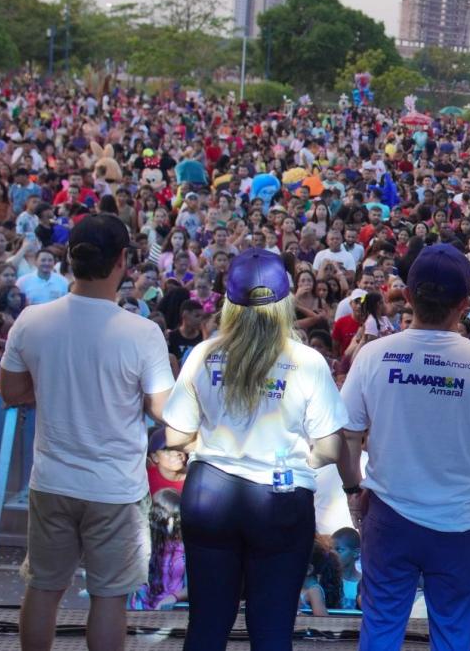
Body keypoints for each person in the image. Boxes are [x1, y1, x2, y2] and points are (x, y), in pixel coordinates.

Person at [0, 214, 175, 651]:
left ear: (70, 258)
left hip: (53, 481)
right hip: (115, 489)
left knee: (43, 588)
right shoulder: (143, 332)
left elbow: (12, 391)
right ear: (122, 261)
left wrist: (57, 388)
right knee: (109, 597)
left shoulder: (32, 320)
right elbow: (161, 408)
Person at [161, 248, 350, 651]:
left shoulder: (204, 353)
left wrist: (209, 445)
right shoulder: (307, 361)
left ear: (231, 303)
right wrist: (298, 458)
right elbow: (331, 447)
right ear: (284, 304)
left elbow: (175, 436)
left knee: (207, 625)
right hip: (280, 495)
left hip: (211, 491)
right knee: (272, 628)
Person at [339, 243, 470, 651]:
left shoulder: (373, 355)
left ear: (407, 296)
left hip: (389, 516)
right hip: (459, 521)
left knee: (382, 626)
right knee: (453, 633)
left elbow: (347, 435)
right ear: (464, 303)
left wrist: (354, 490)